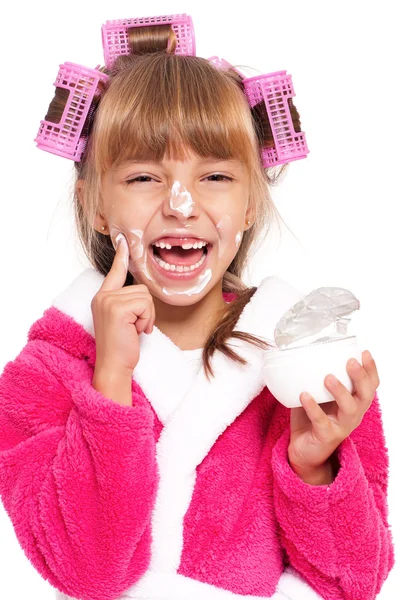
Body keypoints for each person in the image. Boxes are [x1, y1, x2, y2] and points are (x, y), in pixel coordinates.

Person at [0, 14, 395, 600]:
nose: (181, 204)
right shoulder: (43, 375)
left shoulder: (301, 363)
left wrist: (314, 466)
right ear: (97, 205)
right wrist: (109, 383)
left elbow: (354, 583)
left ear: (252, 201)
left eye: (214, 175)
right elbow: (86, 574)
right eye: (142, 177)